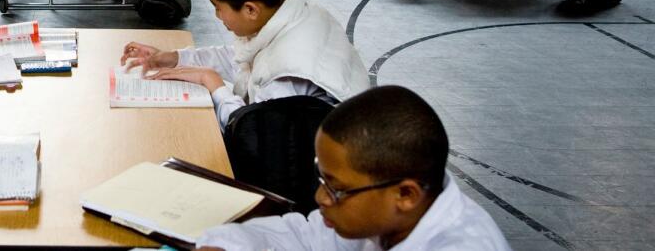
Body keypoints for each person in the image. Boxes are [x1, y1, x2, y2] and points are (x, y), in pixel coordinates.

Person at [196, 86, 510, 251]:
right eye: (322, 179)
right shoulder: (388, 211)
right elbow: (306, 236)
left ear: (405, 194)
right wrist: (225, 244)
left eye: (335, 187)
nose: (320, 197)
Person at [118, 0, 369, 128]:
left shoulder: (286, 76)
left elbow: (250, 130)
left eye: (218, 7)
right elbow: (241, 58)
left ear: (250, 9)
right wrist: (172, 57)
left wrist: (214, 84)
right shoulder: (297, 13)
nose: (217, 16)